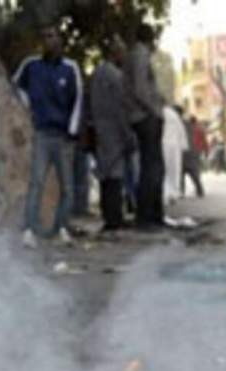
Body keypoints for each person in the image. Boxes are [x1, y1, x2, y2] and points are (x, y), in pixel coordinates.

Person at [13, 23, 83, 246]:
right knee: (36, 183)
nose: (48, 41)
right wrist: (28, 107)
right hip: (41, 134)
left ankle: (60, 228)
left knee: (67, 187)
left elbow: (78, 100)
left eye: (52, 36)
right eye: (44, 37)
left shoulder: (70, 68)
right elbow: (15, 86)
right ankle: (29, 230)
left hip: (62, 137)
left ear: (60, 41)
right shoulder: (31, 66)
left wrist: (72, 131)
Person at [89, 36, 135, 231]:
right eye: (122, 52)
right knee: (115, 175)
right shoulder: (117, 77)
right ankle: (115, 218)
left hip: (99, 130)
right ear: (115, 53)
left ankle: (109, 217)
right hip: (114, 132)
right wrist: (128, 135)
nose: (124, 56)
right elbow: (121, 109)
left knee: (105, 175)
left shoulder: (96, 73)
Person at [124, 23, 167, 230]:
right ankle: (148, 217)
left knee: (152, 167)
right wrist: (155, 109)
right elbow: (141, 90)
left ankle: (152, 216)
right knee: (152, 168)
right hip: (145, 117)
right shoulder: (140, 55)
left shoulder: (134, 55)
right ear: (151, 39)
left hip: (140, 116)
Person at [162, 104, 188, 204]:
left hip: (162, 144)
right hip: (174, 146)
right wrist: (183, 146)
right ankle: (173, 194)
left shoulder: (157, 112)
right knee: (174, 171)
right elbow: (181, 131)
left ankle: (166, 194)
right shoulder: (173, 115)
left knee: (164, 171)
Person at [181, 114, 206, 198]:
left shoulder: (184, 127)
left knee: (182, 172)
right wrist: (206, 151)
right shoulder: (199, 129)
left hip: (184, 151)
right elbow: (204, 141)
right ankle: (199, 190)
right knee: (194, 172)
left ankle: (181, 191)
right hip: (195, 152)